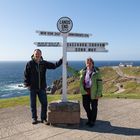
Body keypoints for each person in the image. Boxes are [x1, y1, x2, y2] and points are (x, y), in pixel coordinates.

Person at [24, 49, 62, 124]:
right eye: (36, 54)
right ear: (33, 54)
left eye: (38, 54)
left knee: (44, 103)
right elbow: (26, 74)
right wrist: (27, 84)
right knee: (33, 104)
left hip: (42, 87)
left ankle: (43, 119)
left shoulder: (43, 63)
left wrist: (61, 60)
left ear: (41, 55)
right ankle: (34, 118)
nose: (37, 55)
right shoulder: (30, 63)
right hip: (33, 88)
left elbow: (54, 66)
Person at [68, 57, 103, 127]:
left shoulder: (97, 72)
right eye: (87, 63)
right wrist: (67, 67)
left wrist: (99, 93)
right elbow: (76, 72)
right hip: (85, 92)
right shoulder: (83, 71)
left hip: (94, 92)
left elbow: (100, 84)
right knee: (85, 106)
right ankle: (90, 119)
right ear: (86, 64)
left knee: (94, 107)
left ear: (92, 63)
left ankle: (92, 121)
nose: (88, 64)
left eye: (90, 62)